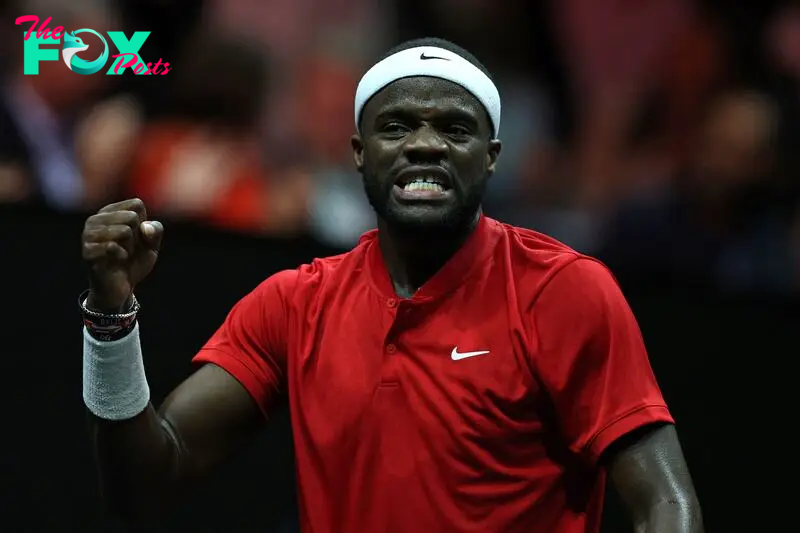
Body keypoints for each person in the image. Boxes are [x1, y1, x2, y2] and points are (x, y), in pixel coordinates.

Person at [80, 38, 703, 532]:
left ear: (490, 154)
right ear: (359, 151)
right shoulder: (295, 304)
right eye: (397, 126)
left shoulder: (564, 291)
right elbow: (144, 485)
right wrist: (111, 320)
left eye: (454, 130)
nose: (425, 144)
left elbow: (666, 506)